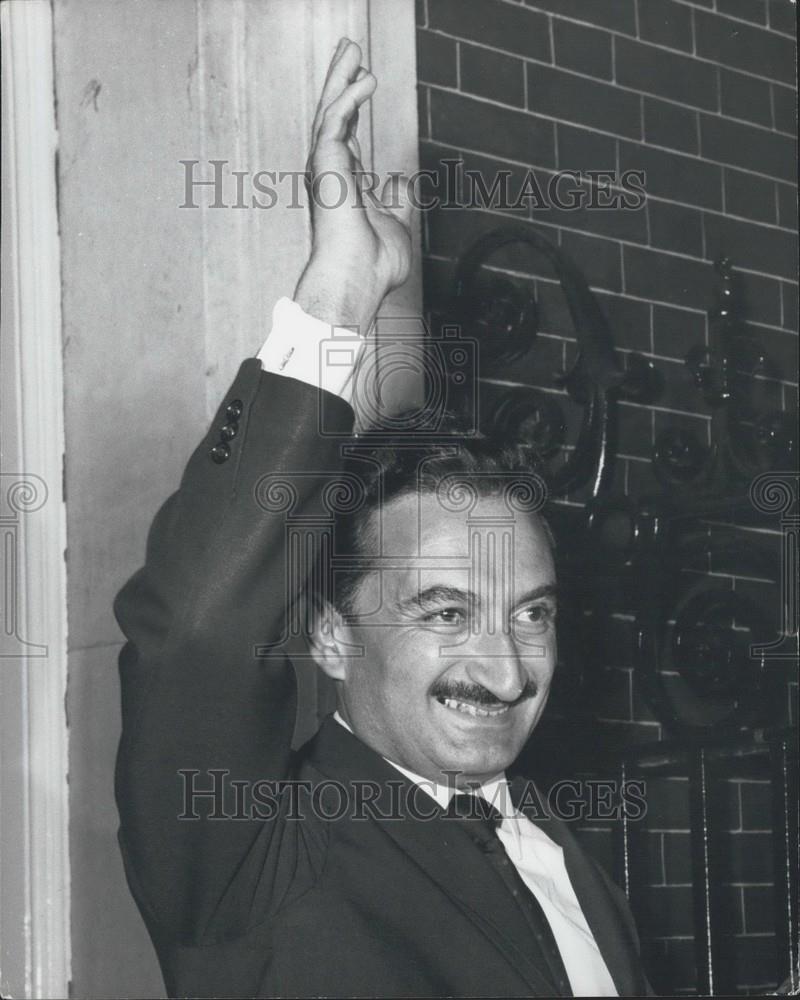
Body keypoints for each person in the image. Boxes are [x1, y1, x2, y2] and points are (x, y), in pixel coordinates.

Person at [114, 37, 651, 998]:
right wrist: (343, 291)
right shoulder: (257, 850)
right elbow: (195, 633)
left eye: (533, 612)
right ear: (328, 636)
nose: (506, 668)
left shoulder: (569, 857)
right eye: (445, 611)